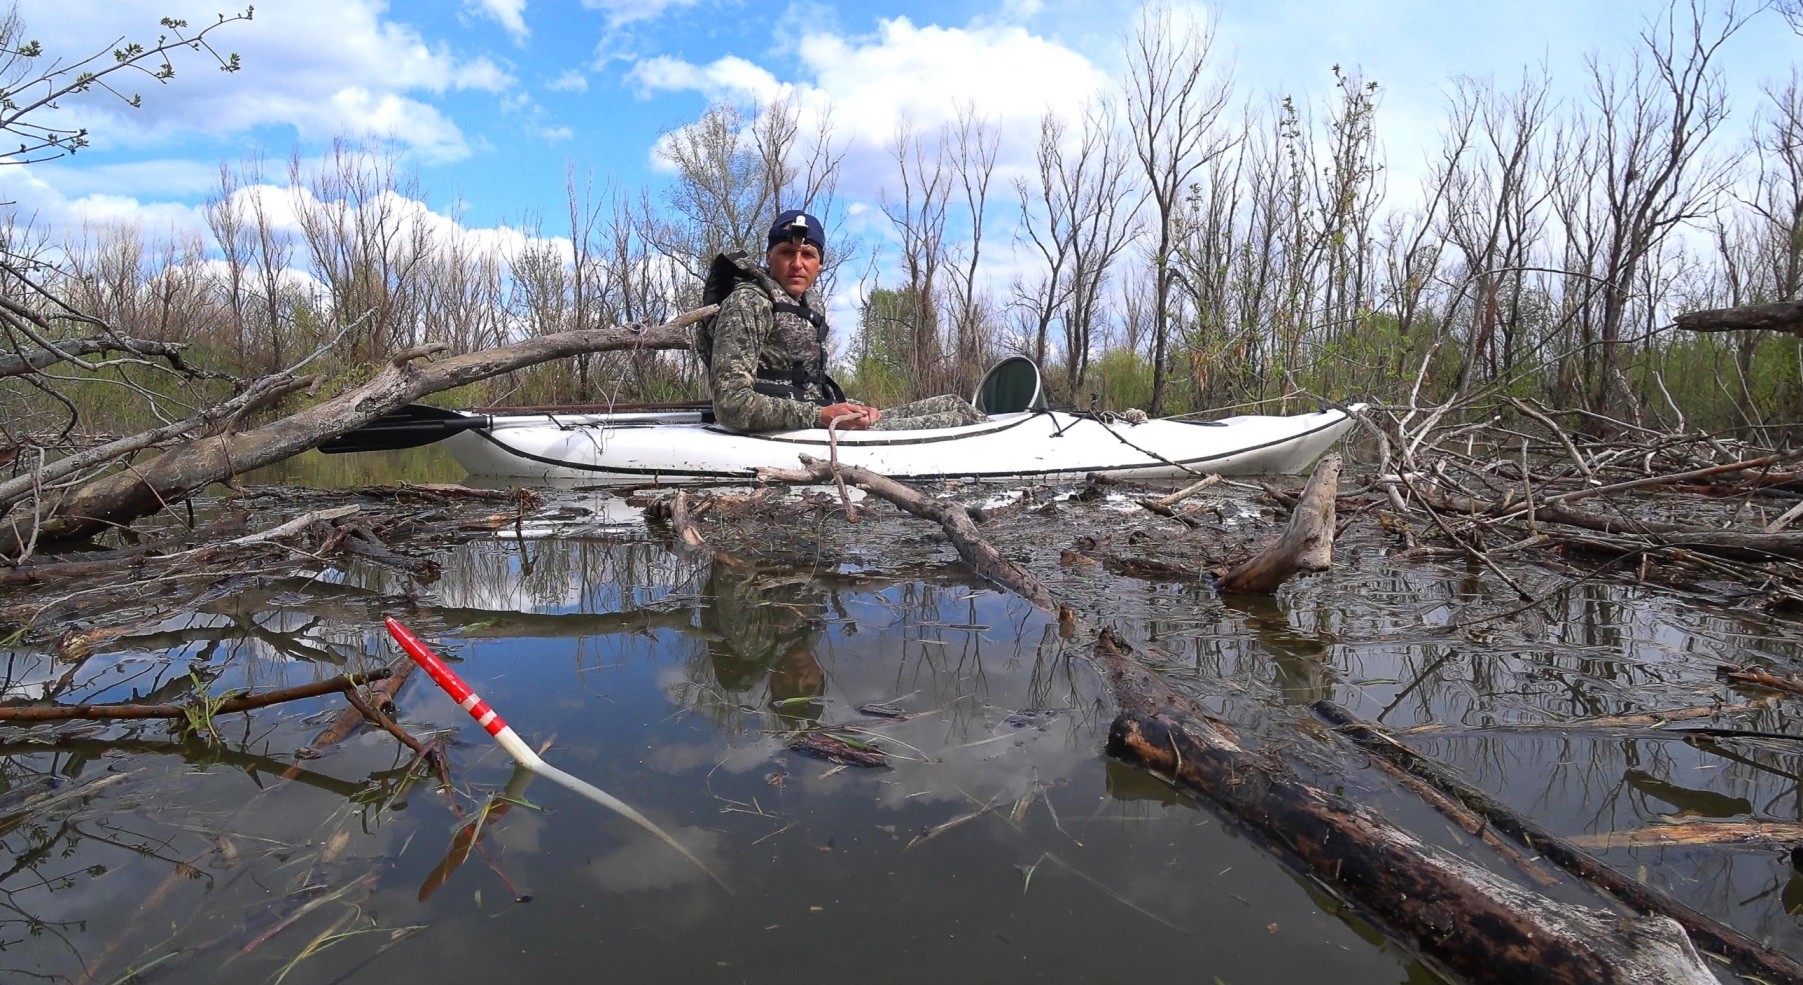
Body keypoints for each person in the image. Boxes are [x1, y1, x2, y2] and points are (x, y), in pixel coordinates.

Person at [700, 209, 987, 433]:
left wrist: (848, 410)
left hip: (814, 418)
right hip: (790, 430)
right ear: (769, 257)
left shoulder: (804, 303)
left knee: (955, 403)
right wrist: (820, 416)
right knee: (959, 421)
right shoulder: (749, 302)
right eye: (787, 253)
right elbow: (730, 404)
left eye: (808, 255)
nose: (797, 264)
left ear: (820, 264)